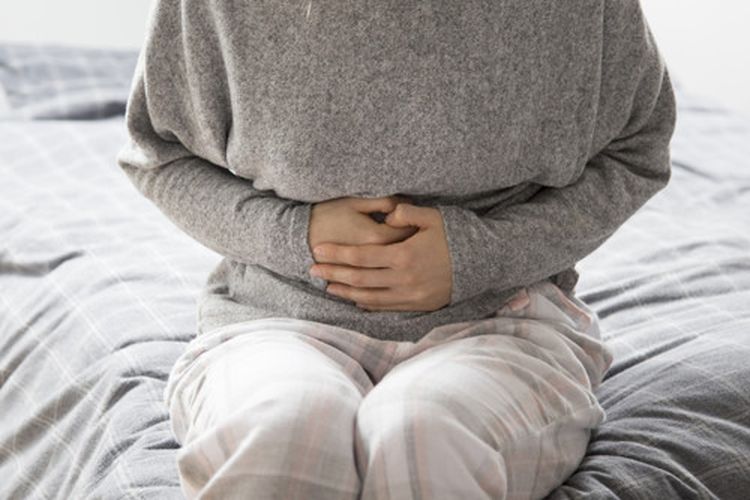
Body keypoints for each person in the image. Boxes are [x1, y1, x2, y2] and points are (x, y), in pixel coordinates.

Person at [117, 0, 676, 498]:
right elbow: (159, 154)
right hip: (273, 319)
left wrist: (480, 254)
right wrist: (295, 233)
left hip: (506, 321)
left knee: (422, 435)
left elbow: (637, 151)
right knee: (283, 435)